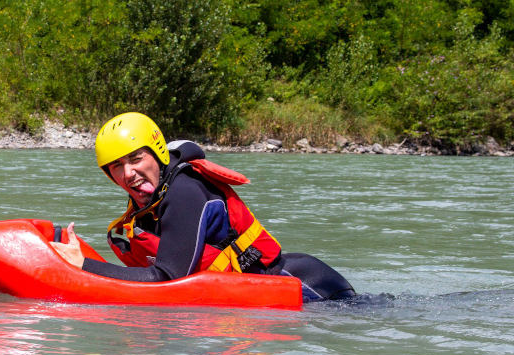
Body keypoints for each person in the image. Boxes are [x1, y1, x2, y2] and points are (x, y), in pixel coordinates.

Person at [51, 112, 355, 301]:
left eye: (135, 159)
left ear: (157, 153)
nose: (128, 173)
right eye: (116, 166)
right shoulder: (151, 199)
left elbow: (167, 279)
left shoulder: (185, 191)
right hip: (280, 286)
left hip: (311, 290)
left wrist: (83, 266)